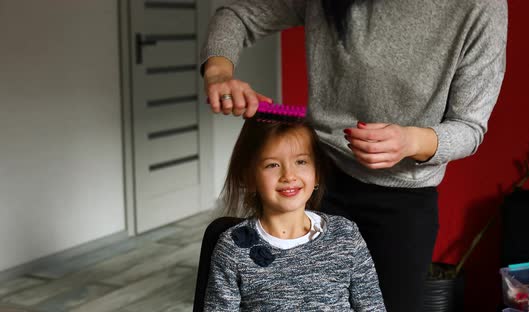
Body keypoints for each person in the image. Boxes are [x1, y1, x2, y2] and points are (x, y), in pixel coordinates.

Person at [200, 0, 508, 310]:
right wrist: (218, 72)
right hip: (322, 180)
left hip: (403, 204)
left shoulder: (480, 7)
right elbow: (238, 13)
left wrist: (411, 140)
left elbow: (470, 127)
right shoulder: (235, 246)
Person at [204, 119, 386, 311]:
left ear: (316, 173)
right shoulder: (232, 249)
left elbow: (372, 306)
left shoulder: (346, 234)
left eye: (301, 162)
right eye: (272, 165)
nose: (289, 176)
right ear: (249, 178)